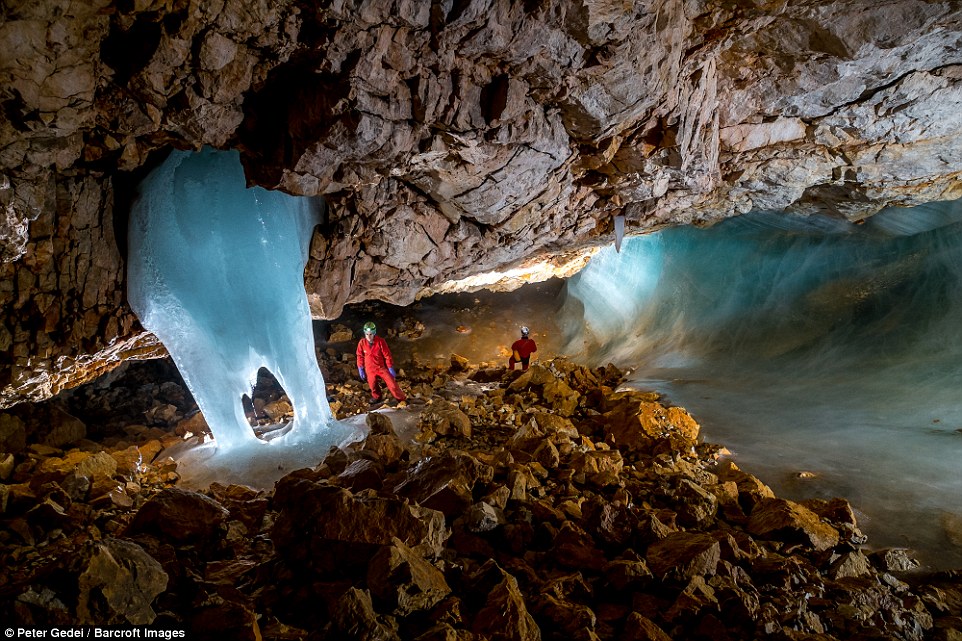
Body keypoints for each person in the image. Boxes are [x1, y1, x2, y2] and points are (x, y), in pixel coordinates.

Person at [356, 321, 406, 406]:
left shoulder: (380, 341)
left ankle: (401, 399)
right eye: (367, 334)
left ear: (374, 333)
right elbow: (359, 355)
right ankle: (377, 397)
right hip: (370, 369)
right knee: (373, 385)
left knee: (392, 384)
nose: (369, 336)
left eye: (371, 334)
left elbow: (387, 355)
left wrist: (390, 367)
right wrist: (360, 368)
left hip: (381, 367)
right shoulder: (362, 343)